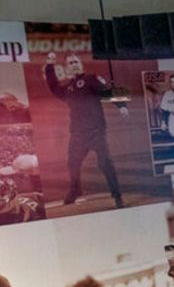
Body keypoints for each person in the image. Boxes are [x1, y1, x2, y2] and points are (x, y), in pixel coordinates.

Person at [43, 52, 125, 208]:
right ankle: (75, 190)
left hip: (96, 132)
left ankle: (117, 195)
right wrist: (49, 66)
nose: (73, 65)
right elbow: (53, 87)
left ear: (81, 64)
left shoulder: (91, 80)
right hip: (77, 134)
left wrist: (121, 106)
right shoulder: (68, 89)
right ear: (67, 68)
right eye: (70, 63)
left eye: (75, 62)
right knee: (72, 163)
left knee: (105, 162)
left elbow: (107, 93)